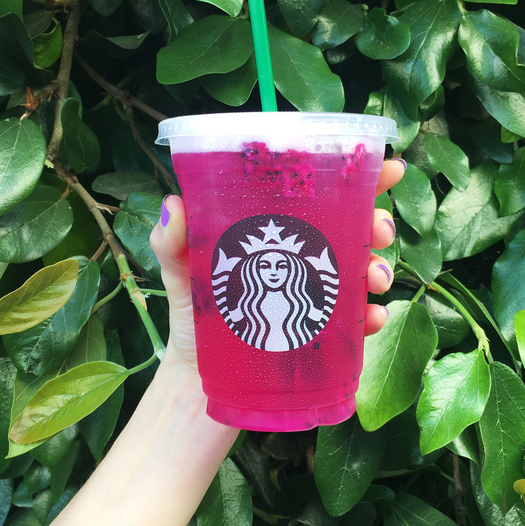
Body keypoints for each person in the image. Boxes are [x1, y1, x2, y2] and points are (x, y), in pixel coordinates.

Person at [51, 159, 405, 526]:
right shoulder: (245, 306)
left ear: (295, 269)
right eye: (264, 265)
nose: (273, 272)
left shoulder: (303, 306)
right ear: (251, 269)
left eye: (282, 266)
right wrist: (208, 373)